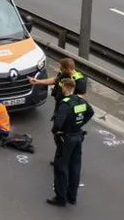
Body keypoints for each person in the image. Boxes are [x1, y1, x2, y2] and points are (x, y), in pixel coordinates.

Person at [48, 78, 94, 207]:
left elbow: (58, 124)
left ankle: (60, 198)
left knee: (61, 167)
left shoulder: (65, 104)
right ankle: (72, 196)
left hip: (66, 138)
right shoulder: (81, 101)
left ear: (65, 88)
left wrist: (57, 131)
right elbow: (90, 112)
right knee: (75, 167)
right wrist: (79, 124)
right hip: (78, 136)